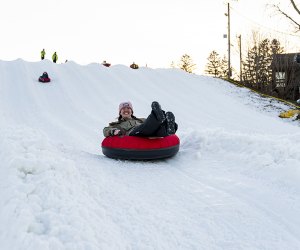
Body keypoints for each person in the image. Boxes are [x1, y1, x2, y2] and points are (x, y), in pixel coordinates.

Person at [103, 101, 177, 137]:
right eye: (123, 109)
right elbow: (105, 130)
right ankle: (156, 114)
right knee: (147, 124)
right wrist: (113, 131)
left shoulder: (140, 120)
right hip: (135, 132)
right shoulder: (117, 125)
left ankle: (168, 126)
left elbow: (149, 122)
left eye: (128, 108)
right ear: (120, 112)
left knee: (158, 127)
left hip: (149, 131)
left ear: (131, 112)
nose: (126, 110)